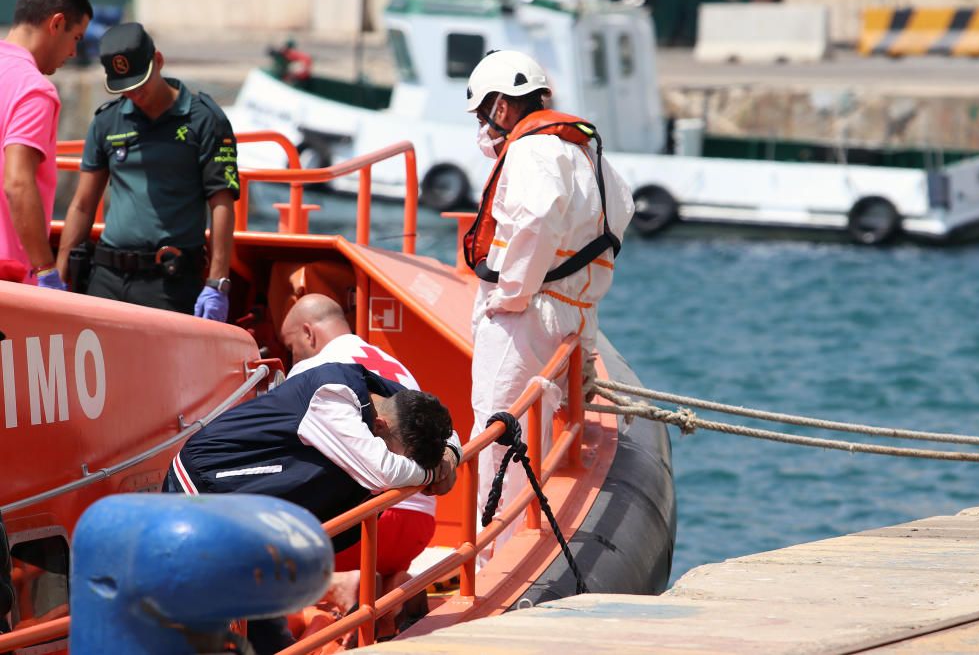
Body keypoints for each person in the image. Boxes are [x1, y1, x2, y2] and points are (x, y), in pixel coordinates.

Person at [463, 50, 635, 554]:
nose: (483, 128)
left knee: (497, 429)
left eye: (482, 115)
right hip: (575, 310)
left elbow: (535, 217)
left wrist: (511, 293)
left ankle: (492, 549)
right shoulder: (583, 148)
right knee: (535, 422)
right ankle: (514, 530)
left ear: (500, 107)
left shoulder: (531, 151)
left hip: (529, 311)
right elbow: (620, 208)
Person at [164, 359, 458, 654]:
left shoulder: (390, 398)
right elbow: (382, 470)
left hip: (256, 523)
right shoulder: (331, 396)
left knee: (265, 633)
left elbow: (447, 430)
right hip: (205, 495)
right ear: (379, 426)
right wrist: (431, 474)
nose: (403, 468)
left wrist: (450, 453)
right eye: (402, 457)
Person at [55, 22, 239, 320]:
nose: (135, 94)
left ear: (159, 62)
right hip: (106, 278)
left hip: (169, 281)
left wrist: (217, 283)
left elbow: (221, 202)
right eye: (125, 88)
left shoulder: (205, 121)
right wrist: (59, 274)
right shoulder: (107, 122)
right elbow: (82, 204)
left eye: (140, 84)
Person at [281, 294, 459, 580]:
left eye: (291, 348)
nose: (293, 358)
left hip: (359, 531)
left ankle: (344, 584)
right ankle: (389, 585)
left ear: (308, 333)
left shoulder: (313, 371)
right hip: (418, 529)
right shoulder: (395, 366)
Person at [1, 0, 92, 288]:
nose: (73, 53)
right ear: (56, 24)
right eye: (76, 38)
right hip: (9, 280)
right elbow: (17, 182)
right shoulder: (33, 89)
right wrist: (45, 270)